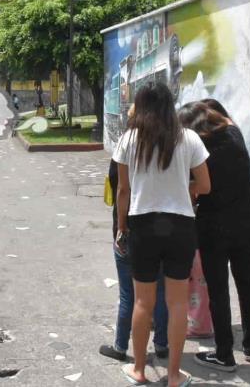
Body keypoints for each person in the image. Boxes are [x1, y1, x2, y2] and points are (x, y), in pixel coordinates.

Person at [114, 82, 211, 387]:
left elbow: (123, 190)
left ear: (140, 106)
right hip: (180, 225)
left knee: (143, 302)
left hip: (142, 224)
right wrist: (185, 190)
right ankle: (173, 375)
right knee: (177, 302)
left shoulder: (129, 139)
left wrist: (121, 227)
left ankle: (139, 370)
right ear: (170, 105)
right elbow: (205, 186)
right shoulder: (189, 138)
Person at [178, 101, 250, 371]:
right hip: (247, 222)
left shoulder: (198, 150)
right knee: (247, 284)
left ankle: (225, 354)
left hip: (214, 226)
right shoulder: (234, 133)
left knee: (218, 291)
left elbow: (198, 187)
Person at [100, 151, 169, 362]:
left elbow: (120, 188)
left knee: (128, 294)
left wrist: (121, 227)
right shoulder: (166, 147)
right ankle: (161, 345)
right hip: (159, 228)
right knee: (159, 292)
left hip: (130, 228)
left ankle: (121, 347)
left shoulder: (126, 146)